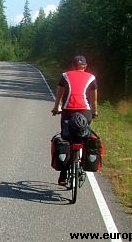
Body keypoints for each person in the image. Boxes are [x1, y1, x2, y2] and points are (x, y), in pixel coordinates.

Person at [51, 55, 98, 185]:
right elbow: (94, 100)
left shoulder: (65, 75)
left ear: (72, 65)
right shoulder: (91, 77)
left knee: (66, 139)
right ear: (85, 66)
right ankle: (83, 164)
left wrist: (56, 108)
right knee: (84, 136)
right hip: (85, 112)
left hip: (68, 112)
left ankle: (63, 175)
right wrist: (94, 112)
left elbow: (59, 95)